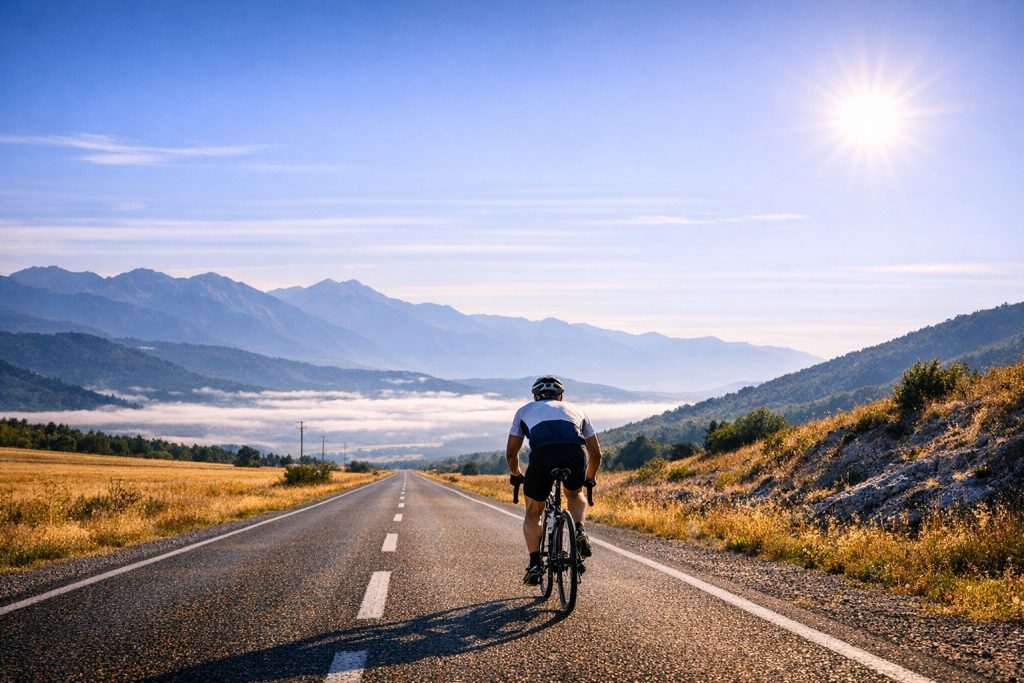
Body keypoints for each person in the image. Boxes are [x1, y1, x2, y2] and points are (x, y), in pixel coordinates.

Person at [506, 375, 602, 585]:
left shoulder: (524, 411)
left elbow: (512, 454)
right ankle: (579, 530)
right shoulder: (577, 410)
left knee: (533, 512)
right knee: (575, 493)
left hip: (542, 457)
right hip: (575, 454)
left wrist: (516, 474)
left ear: (535, 396)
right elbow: (596, 455)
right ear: (561, 396)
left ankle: (534, 564)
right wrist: (590, 479)